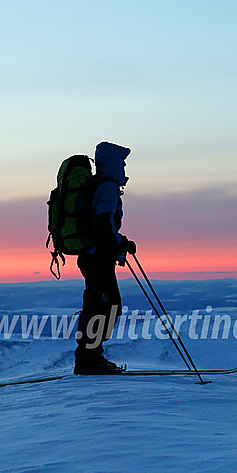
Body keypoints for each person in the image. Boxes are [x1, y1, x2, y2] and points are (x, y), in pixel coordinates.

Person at [74, 141, 136, 375]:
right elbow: (103, 223)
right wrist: (120, 243)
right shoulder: (108, 187)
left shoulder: (95, 185)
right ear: (113, 163)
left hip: (91, 257)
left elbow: (100, 224)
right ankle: (89, 360)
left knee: (99, 306)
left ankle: (91, 357)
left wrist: (118, 242)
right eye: (122, 163)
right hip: (98, 258)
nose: (124, 167)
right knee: (103, 308)